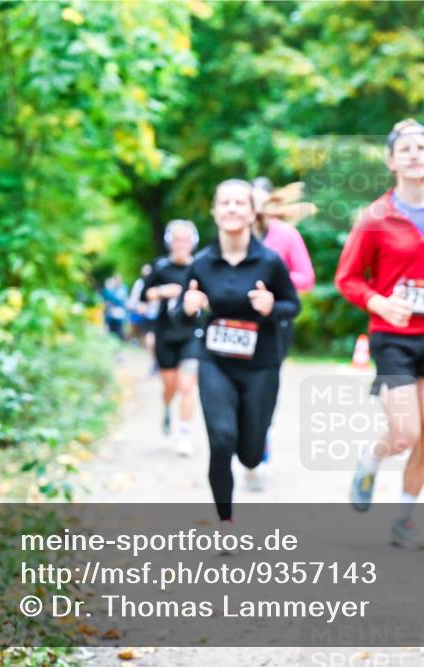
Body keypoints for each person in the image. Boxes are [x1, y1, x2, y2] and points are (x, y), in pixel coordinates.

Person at [335, 119, 424, 550]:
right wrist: (379, 303)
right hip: (392, 337)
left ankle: (404, 519)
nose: (415, 155)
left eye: (422, 148)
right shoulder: (375, 217)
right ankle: (370, 459)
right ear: (391, 161)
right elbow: (347, 279)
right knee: (405, 434)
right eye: (405, 149)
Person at [174, 179, 300, 531]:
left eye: (239, 203)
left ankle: (253, 461)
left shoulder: (270, 261)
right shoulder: (200, 265)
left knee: (250, 450)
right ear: (214, 211)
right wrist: (187, 307)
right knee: (221, 438)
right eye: (224, 202)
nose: (231, 208)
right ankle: (225, 521)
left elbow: (294, 306)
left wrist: (272, 306)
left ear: (251, 211)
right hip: (215, 362)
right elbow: (178, 316)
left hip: (261, 365)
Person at [246, 177, 318, 491]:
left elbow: (307, 278)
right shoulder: (234, 235)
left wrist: (275, 280)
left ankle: (259, 445)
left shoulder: (286, 235)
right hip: (236, 322)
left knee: (262, 387)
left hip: (276, 322)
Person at [141, 220, 201, 456]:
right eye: (177, 240)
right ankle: (167, 406)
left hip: (192, 334)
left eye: (185, 240)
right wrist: (162, 291)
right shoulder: (160, 267)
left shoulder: (200, 267)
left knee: (188, 386)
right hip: (165, 334)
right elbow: (144, 295)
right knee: (171, 386)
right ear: (169, 242)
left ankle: (184, 434)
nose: (181, 244)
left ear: (192, 242)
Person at [100, 275, 127, 341]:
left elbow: (120, 301)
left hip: (118, 312)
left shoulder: (122, 288)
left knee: (118, 329)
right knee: (110, 329)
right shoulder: (111, 289)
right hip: (110, 312)